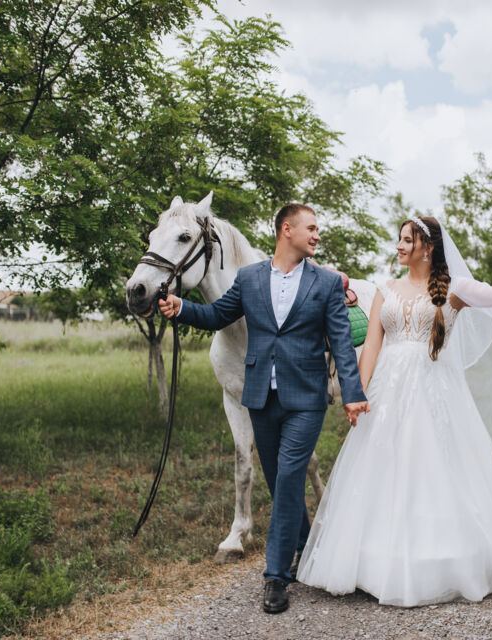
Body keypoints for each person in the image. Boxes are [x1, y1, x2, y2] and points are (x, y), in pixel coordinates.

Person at [296, 216, 492, 607]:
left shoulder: (456, 290)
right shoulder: (385, 290)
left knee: (432, 466)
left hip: (434, 391)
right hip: (387, 392)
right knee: (380, 466)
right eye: (400, 240)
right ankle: (371, 558)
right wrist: (357, 392)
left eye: (408, 240)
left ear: (428, 247)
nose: (400, 246)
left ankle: (437, 556)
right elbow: (371, 345)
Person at [158, 203, 369, 615]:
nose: (317, 235)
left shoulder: (326, 283)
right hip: (260, 397)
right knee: (280, 482)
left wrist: (352, 392)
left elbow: (342, 343)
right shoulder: (250, 278)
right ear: (286, 230)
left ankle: (276, 575)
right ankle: (307, 546)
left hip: (307, 399)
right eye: (311, 228)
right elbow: (218, 314)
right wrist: (181, 309)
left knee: (290, 474)